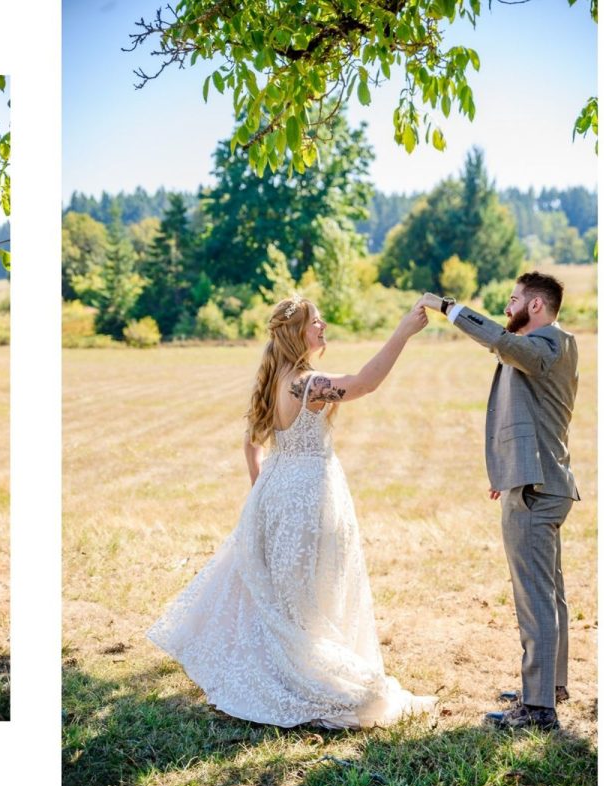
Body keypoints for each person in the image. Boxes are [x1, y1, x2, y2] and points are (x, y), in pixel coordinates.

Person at [148, 296, 436, 728]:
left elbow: (251, 441)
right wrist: (403, 332)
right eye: (315, 322)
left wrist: (261, 486)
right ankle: (307, 671)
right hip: (308, 493)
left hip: (277, 488)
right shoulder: (308, 383)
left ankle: (289, 662)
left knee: (285, 590)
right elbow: (364, 383)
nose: (323, 326)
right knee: (311, 588)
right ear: (296, 332)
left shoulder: (273, 377)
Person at [417, 273, 579, 731]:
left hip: (537, 490)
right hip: (537, 482)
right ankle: (550, 688)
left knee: (535, 600)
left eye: (514, 301)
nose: (508, 309)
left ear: (538, 307)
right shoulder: (542, 347)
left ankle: (538, 707)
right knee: (550, 595)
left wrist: (450, 309)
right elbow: (527, 416)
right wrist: (507, 470)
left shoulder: (548, 344)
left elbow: (502, 344)